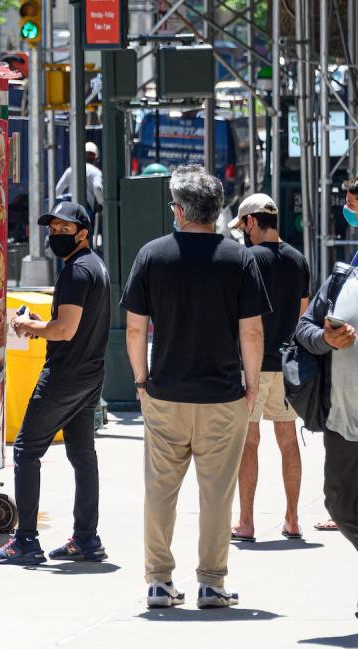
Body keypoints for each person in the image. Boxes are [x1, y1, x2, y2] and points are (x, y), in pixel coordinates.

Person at [121, 165, 270, 609]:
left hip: (164, 394)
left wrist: (141, 383)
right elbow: (253, 333)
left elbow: (134, 330)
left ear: (179, 210)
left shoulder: (152, 255)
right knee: (216, 494)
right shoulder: (239, 258)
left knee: (159, 491)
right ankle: (210, 581)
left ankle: (159, 581)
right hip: (222, 397)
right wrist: (251, 387)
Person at [0, 201, 110, 565]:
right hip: (90, 376)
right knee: (83, 456)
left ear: (83, 233)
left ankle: (25, 541)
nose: (56, 235)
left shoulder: (75, 273)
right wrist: (45, 325)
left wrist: (28, 326)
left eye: (64, 230)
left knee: (25, 451)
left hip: (64, 377)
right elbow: (73, 325)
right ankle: (87, 538)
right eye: (52, 229)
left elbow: (65, 330)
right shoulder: (96, 267)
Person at [225, 194, 310, 542]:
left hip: (252, 364)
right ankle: (292, 519)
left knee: (250, 442)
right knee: (288, 441)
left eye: (243, 225)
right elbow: (304, 315)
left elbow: (238, 316)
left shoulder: (247, 260)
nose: (243, 233)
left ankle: (246, 521)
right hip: (289, 366)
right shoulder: (299, 260)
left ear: (252, 222)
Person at [295, 255, 358, 609]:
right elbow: (303, 329)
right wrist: (325, 338)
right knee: (338, 503)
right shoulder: (342, 278)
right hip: (342, 419)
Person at [55, 141, 104, 214]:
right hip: (86, 209)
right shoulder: (96, 172)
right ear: (95, 157)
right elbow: (97, 188)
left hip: (70, 208)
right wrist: (101, 203)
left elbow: (58, 189)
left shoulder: (71, 170)